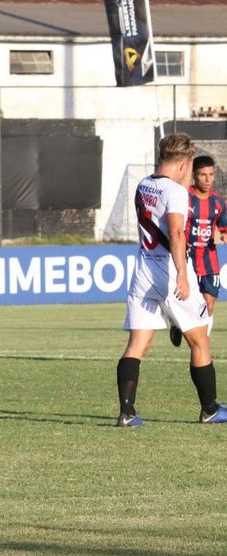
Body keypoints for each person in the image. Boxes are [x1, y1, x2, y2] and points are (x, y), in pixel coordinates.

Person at [116, 133, 227, 427]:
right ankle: (210, 409)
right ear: (184, 163)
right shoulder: (177, 192)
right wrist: (182, 274)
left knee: (137, 343)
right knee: (199, 339)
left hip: (143, 270)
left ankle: (127, 413)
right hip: (168, 269)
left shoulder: (144, 184)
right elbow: (177, 232)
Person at [169, 155, 227, 347]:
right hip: (187, 259)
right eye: (203, 175)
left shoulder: (219, 202)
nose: (208, 179)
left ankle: (203, 345)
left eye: (211, 174)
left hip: (209, 258)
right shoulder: (183, 198)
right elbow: (174, 226)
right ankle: (178, 325)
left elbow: (223, 226)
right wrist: (182, 241)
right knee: (188, 302)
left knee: (209, 304)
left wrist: (225, 234)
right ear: (194, 175)